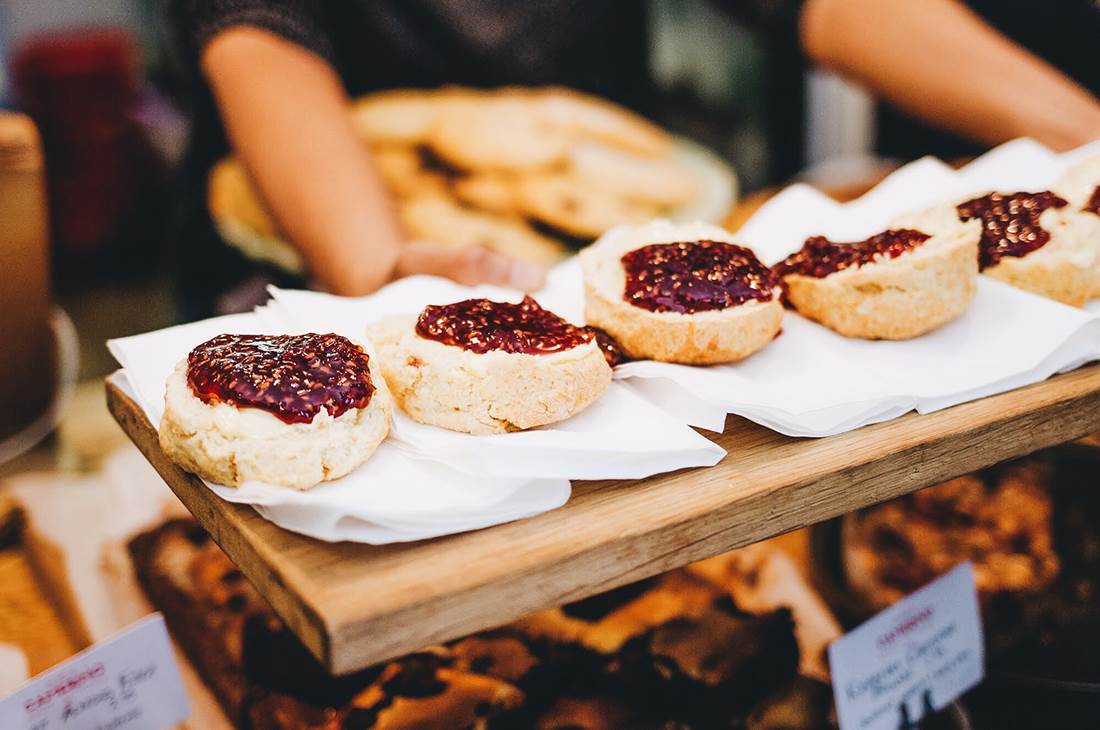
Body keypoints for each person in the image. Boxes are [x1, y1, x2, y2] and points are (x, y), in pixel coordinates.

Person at [168, 0, 1099, 312]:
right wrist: (377, 269)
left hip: (593, 231)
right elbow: (259, 35)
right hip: (314, 220)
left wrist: (1083, 129)